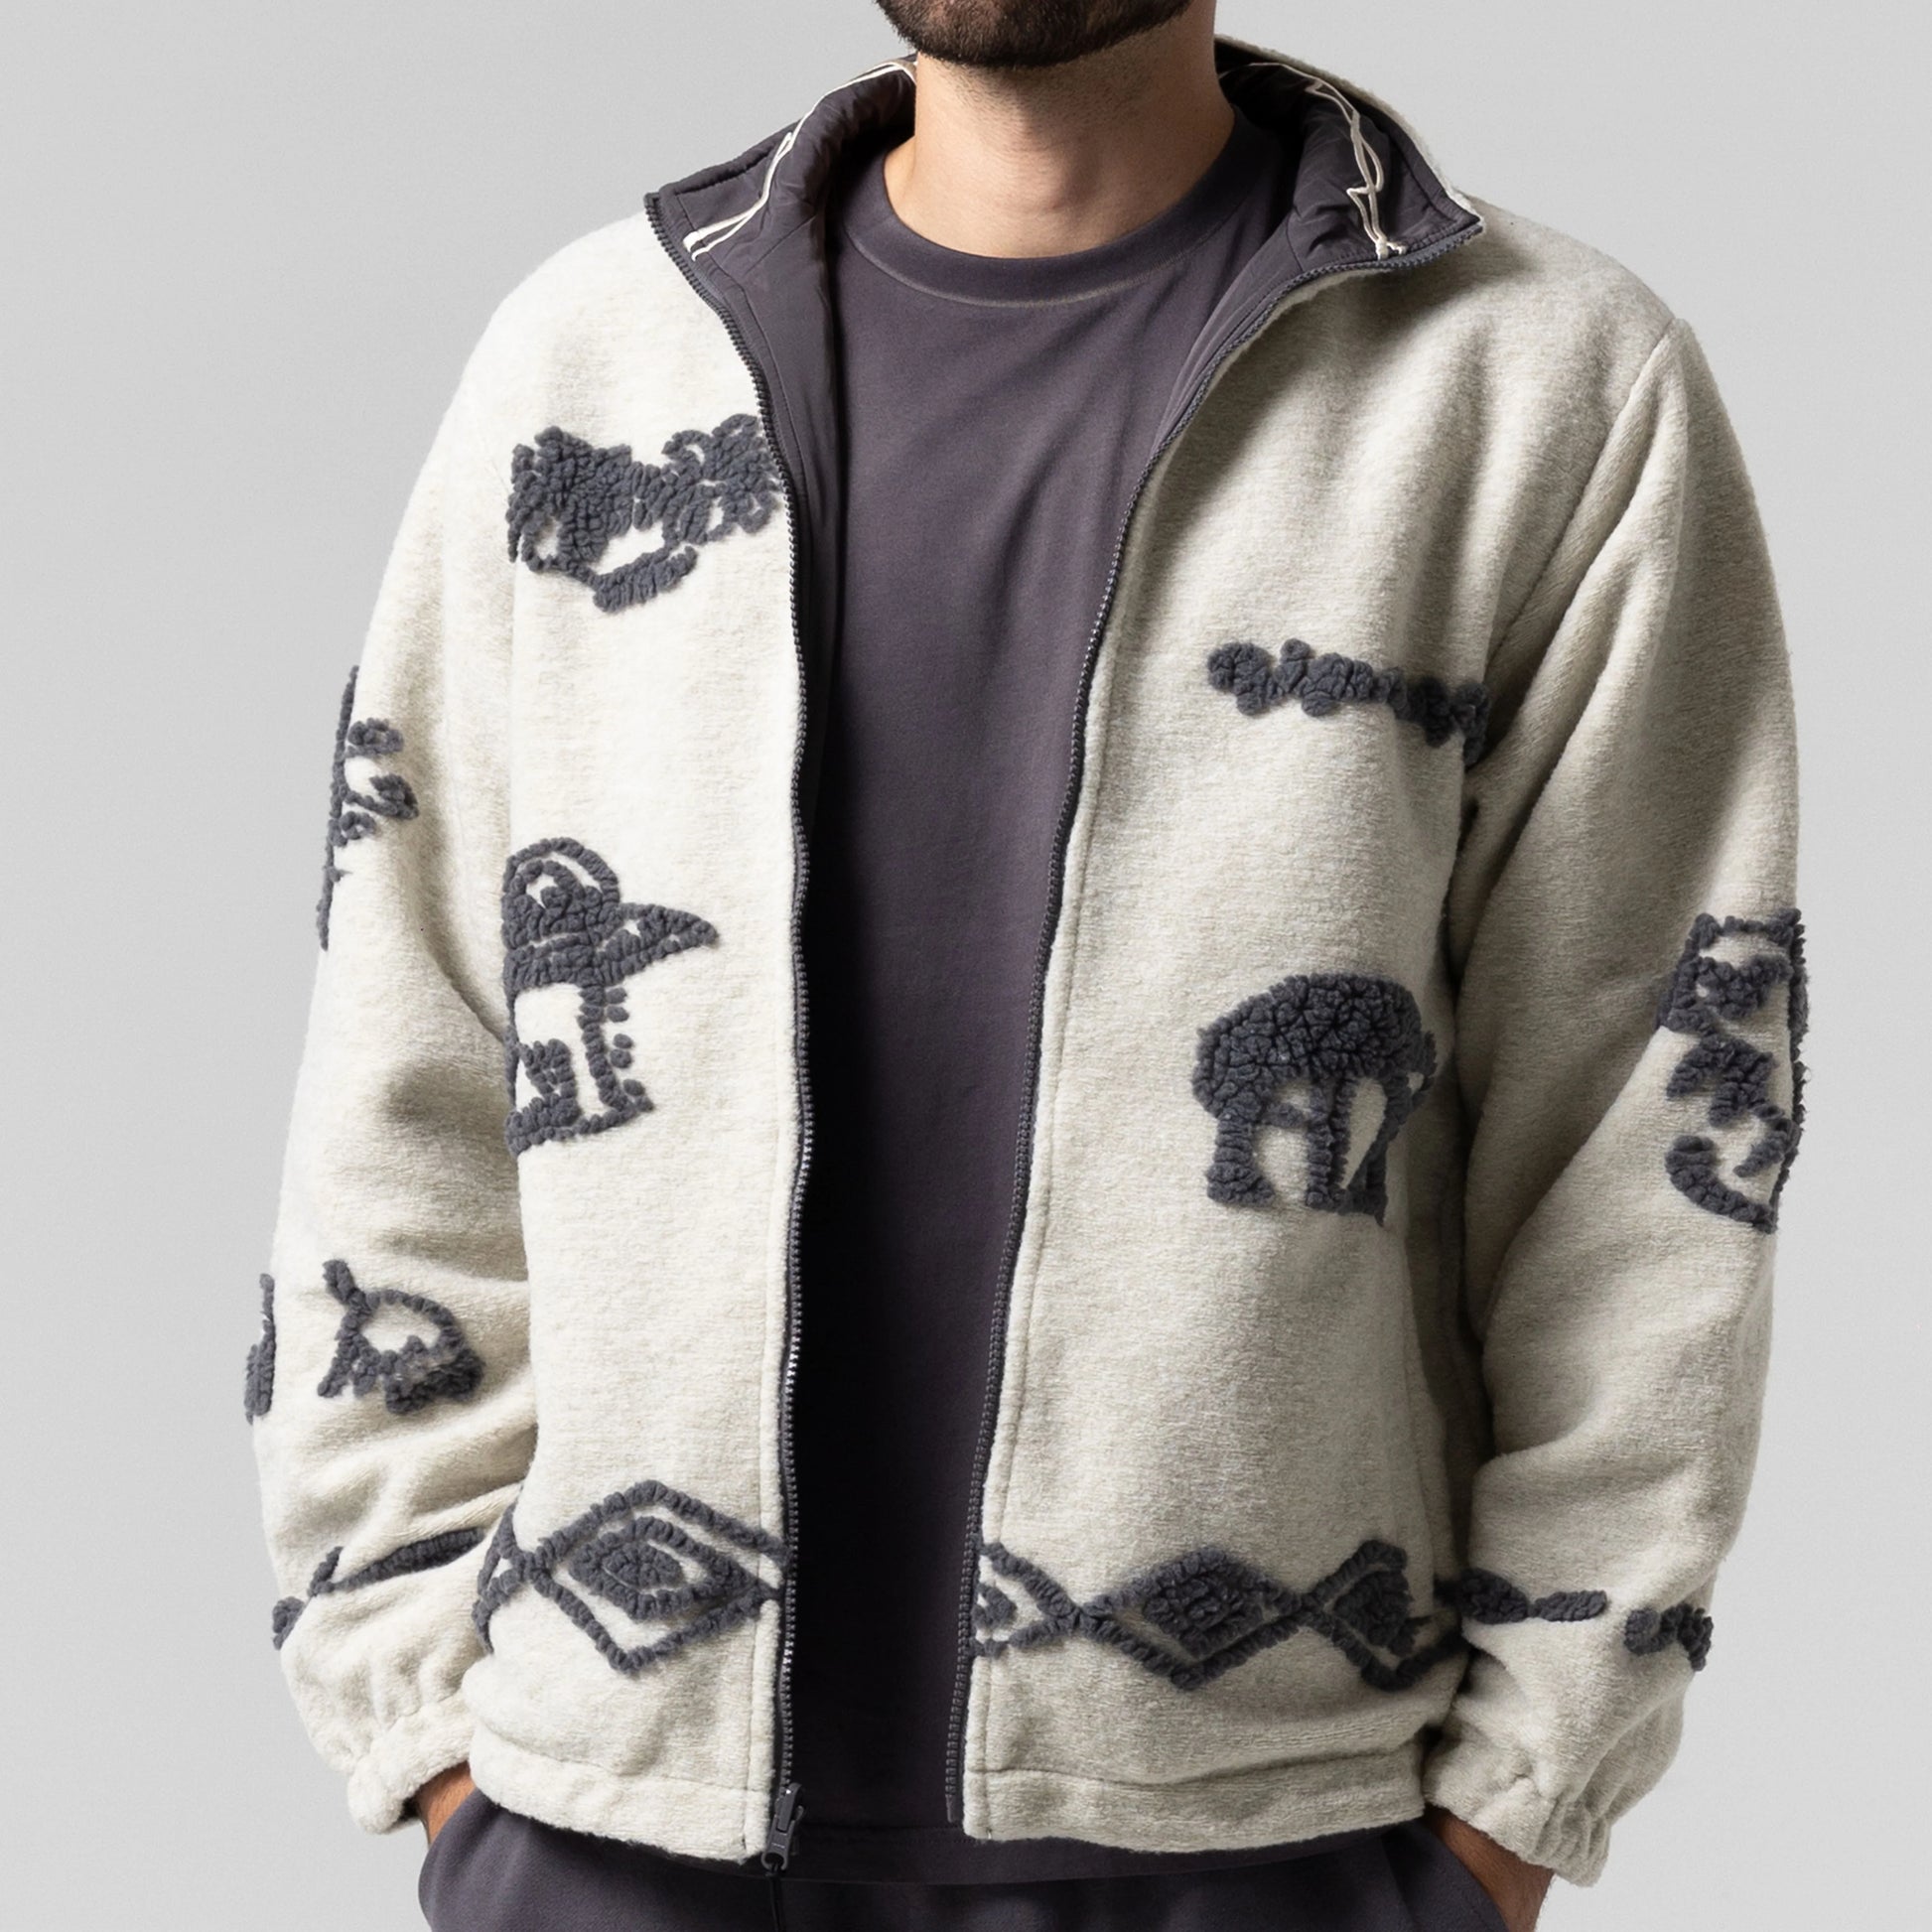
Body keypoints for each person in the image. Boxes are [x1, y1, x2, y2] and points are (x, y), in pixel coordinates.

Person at [247, 4, 1804, 1928]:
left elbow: (1646, 1125)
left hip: (1265, 1845)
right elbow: (407, 1043)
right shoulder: (594, 362)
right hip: (608, 1834)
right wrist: (431, 1739)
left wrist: (1517, 1800)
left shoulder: (1533, 380)